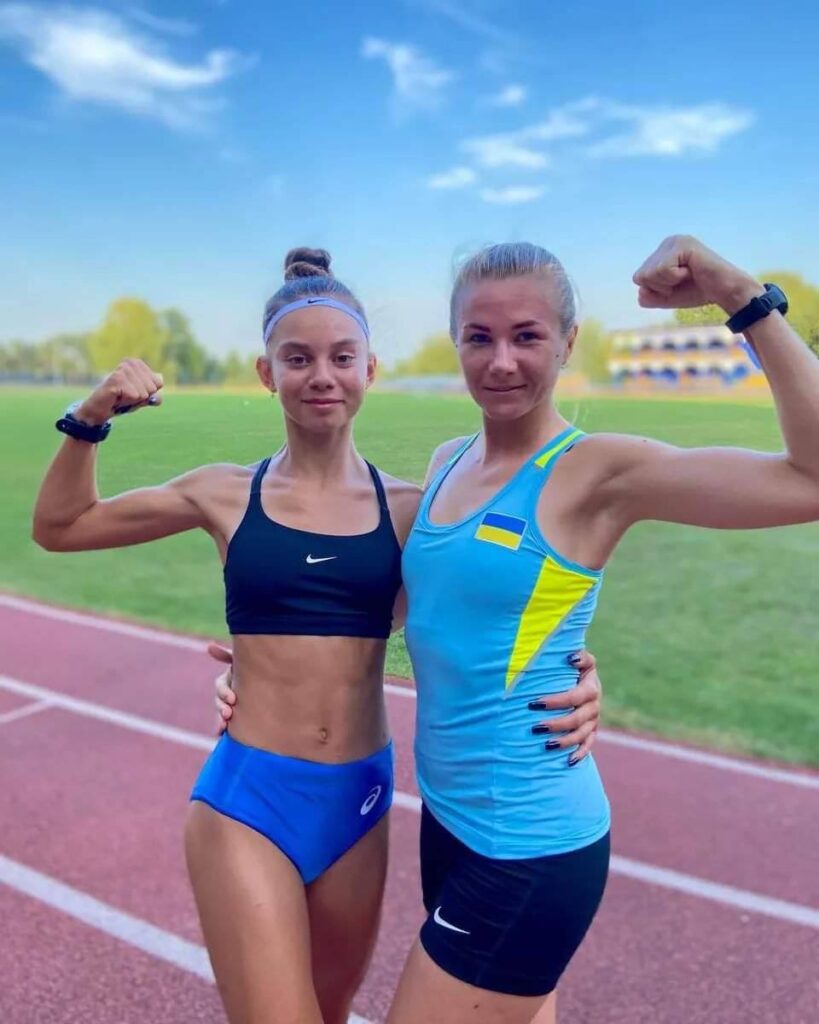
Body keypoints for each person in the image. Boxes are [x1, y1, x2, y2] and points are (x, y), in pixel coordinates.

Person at [216, 235, 819, 1024]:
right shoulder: (446, 463)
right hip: (451, 826)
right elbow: (407, 613)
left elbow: (809, 478)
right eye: (479, 337)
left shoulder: (596, 470)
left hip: (529, 844)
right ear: (456, 342)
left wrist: (740, 296)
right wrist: (264, 668)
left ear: (567, 342)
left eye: (526, 336)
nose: (501, 362)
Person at [32, 246, 603, 1024]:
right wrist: (89, 418)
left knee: (330, 1011)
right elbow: (61, 527)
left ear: (370, 368)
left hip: (359, 801)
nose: (321, 376)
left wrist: (578, 677)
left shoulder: (416, 511)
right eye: (296, 359)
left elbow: (495, 612)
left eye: (341, 357)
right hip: (250, 797)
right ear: (267, 373)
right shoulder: (222, 492)